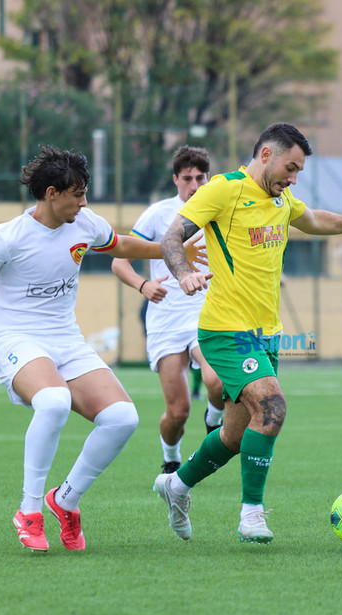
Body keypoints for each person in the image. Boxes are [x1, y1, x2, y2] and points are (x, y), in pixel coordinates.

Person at [0, 145, 205, 553]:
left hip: (65, 339)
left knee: (122, 418)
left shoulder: (84, 223)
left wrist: (172, 251)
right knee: (53, 401)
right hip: (14, 337)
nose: (84, 202)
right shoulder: (8, 237)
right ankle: (29, 510)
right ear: (51, 194)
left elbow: (122, 245)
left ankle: (65, 500)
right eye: (77, 194)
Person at [152, 122, 342, 544]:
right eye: (291, 168)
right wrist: (185, 273)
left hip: (266, 335)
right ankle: (251, 514)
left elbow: (315, 219)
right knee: (273, 408)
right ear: (266, 155)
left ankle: (176, 485)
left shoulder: (280, 199)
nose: (293, 178)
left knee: (233, 437)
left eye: (299, 171)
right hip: (226, 331)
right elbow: (171, 237)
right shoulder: (223, 190)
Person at [111, 146, 225, 475]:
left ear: (208, 178)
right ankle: (171, 457)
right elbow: (120, 262)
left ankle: (214, 419)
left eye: (200, 178)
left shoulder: (218, 211)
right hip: (165, 319)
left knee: (217, 381)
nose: (194, 185)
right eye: (187, 178)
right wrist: (144, 286)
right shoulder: (158, 214)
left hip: (206, 314)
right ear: (175, 179)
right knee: (178, 412)